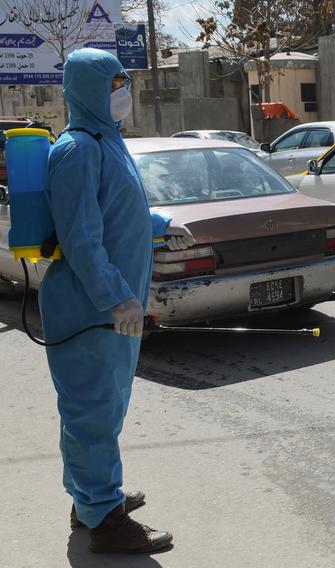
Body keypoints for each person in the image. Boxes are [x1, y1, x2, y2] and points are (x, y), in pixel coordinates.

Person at [40, 48, 194, 554]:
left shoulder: (108, 142)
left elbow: (117, 214)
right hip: (92, 312)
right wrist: (115, 298)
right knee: (91, 413)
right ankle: (104, 520)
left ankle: (89, 499)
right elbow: (81, 236)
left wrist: (161, 227)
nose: (124, 92)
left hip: (114, 310)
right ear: (89, 89)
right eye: (115, 84)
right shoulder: (76, 149)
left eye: (124, 82)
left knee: (105, 410)